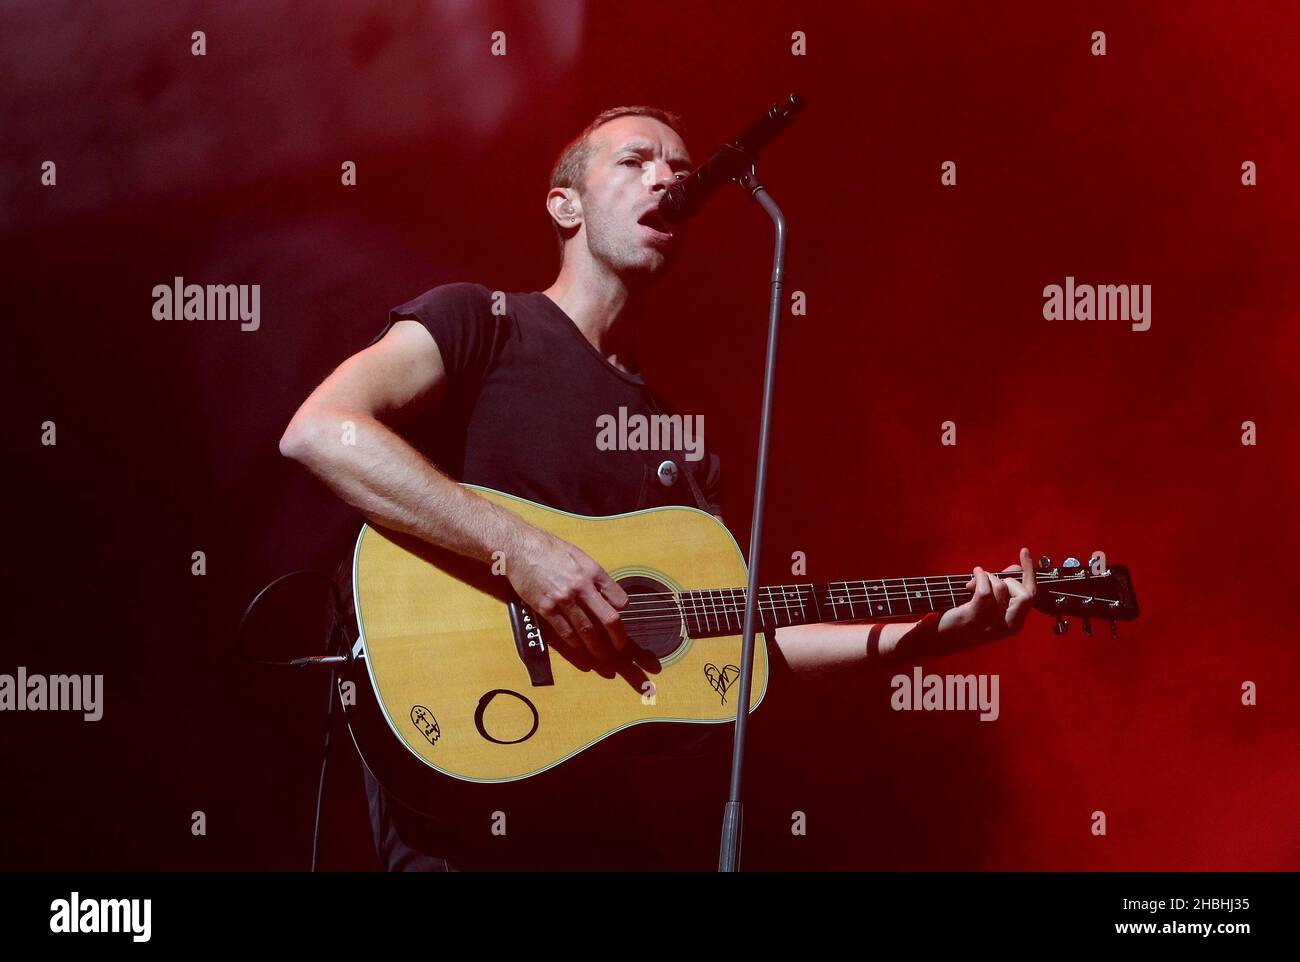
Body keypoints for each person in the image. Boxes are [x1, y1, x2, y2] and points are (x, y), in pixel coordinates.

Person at [278, 105, 1037, 870]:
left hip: (589, 801)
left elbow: (743, 637)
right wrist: (524, 554)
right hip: (466, 767)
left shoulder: (679, 446)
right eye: (636, 161)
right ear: (564, 205)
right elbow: (320, 429)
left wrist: (932, 635)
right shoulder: (480, 323)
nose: (669, 177)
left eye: (678, 166)